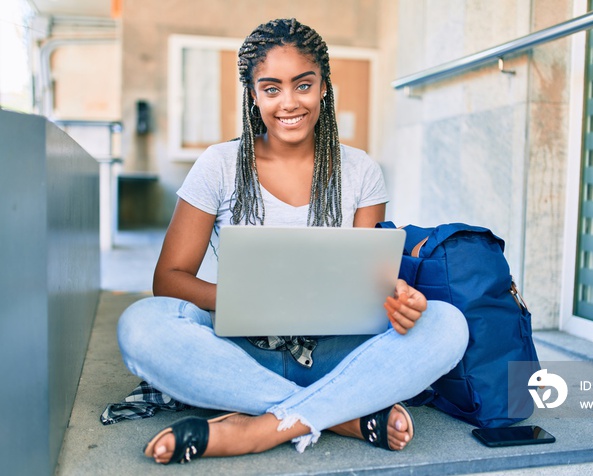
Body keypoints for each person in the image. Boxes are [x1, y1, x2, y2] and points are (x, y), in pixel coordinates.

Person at [117, 18, 469, 465]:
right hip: (239, 350)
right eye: (271, 88)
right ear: (253, 94)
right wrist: (245, 303)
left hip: (337, 349)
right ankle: (339, 415)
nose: (288, 102)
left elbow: (365, 284)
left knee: (447, 324)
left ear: (323, 86)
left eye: (303, 85)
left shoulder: (361, 171)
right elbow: (168, 279)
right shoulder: (219, 165)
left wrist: (396, 298)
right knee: (141, 325)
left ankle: (258, 429)